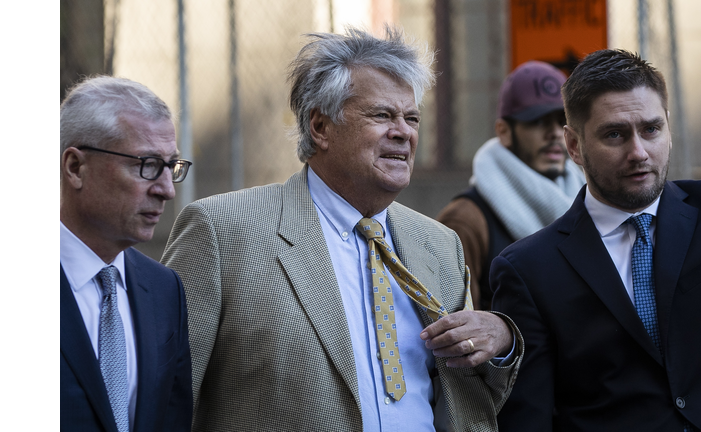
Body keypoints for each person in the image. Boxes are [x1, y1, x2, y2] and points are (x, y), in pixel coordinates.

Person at [162, 26, 523, 432]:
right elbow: (165, 398)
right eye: (382, 115)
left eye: (412, 118)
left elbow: (467, 398)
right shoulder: (222, 231)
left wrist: (501, 339)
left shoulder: (439, 243)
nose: (403, 131)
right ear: (320, 127)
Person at [491, 49, 701, 431]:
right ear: (574, 146)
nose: (638, 152)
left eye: (651, 129)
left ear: (669, 129)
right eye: (614, 134)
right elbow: (529, 418)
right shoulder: (529, 270)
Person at [60, 76, 194, 432]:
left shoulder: (164, 289)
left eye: (171, 167)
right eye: (147, 165)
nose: (166, 190)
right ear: (75, 168)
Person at [437, 60, 585, 310]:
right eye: (538, 121)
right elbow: (452, 331)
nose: (553, 133)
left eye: (562, 120)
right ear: (504, 131)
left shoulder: (588, 203)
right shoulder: (465, 222)